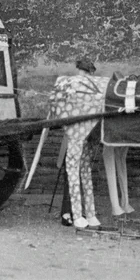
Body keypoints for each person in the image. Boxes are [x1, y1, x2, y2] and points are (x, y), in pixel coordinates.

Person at [59, 57, 96, 226]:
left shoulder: (84, 86)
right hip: (73, 134)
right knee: (71, 173)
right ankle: (67, 213)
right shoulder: (74, 86)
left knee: (76, 172)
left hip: (82, 133)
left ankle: (74, 212)